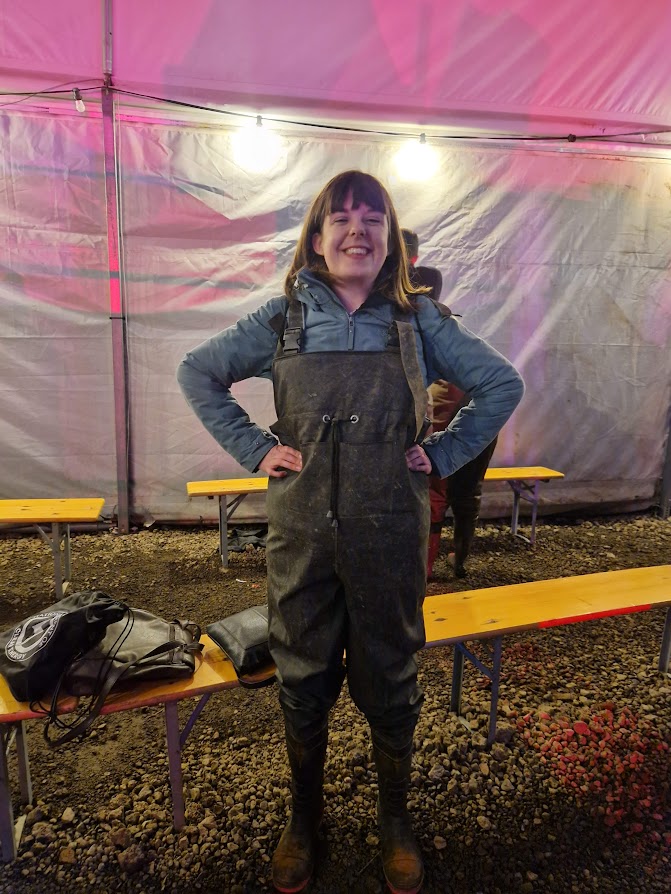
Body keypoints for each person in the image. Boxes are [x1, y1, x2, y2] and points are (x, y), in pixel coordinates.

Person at [177, 170, 524, 894]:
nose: (356, 230)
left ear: (391, 239)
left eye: (372, 218)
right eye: (339, 218)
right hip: (301, 537)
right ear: (315, 238)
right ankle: (304, 819)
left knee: (391, 678)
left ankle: (394, 820)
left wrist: (445, 453)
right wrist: (253, 448)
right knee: (301, 680)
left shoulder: (419, 322)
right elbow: (198, 372)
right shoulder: (282, 320)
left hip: (391, 535)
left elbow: (502, 384)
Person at [399, 230, 499, 580]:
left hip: (452, 409)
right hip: (465, 410)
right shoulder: (435, 322)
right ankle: (452, 561)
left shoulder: (422, 315)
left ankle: (429, 567)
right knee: (462, 492)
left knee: (439, 490)